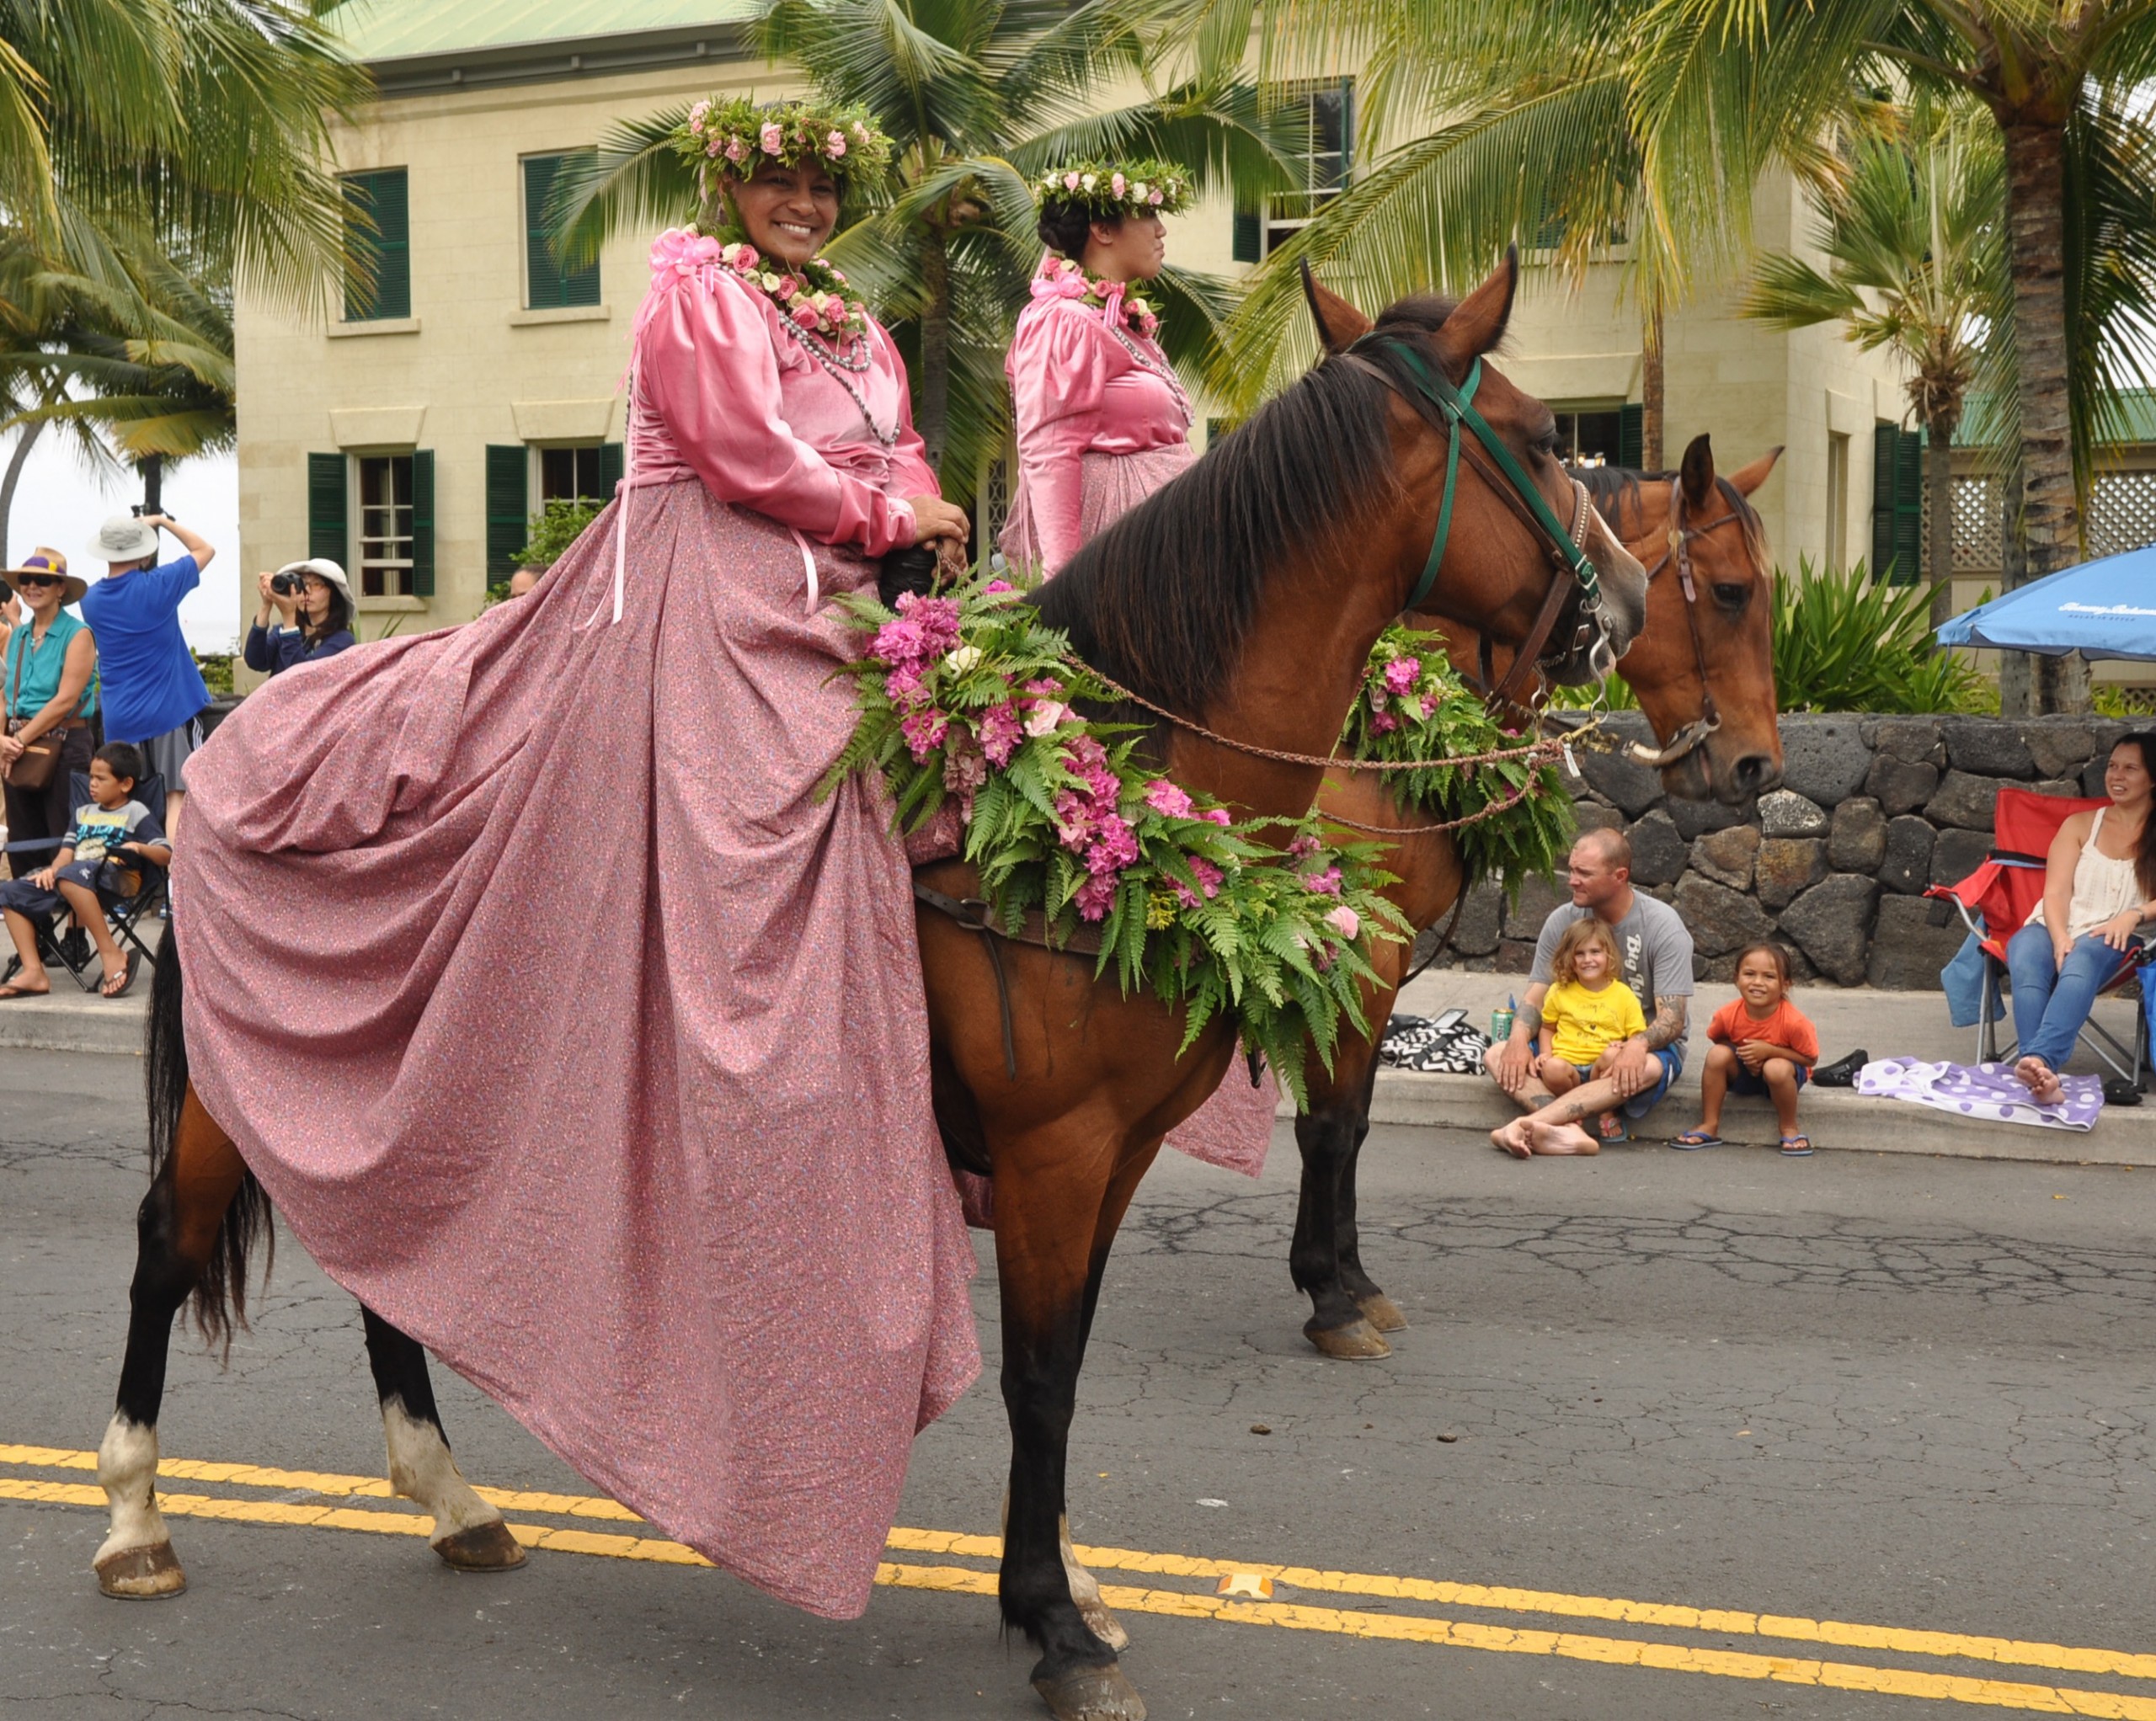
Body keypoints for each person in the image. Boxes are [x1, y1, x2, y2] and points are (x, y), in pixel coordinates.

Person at [168, 99, 979, 1617]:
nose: (803, 200)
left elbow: (898, 438)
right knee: (752, 849)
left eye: (821, 182)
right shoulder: (694, 283)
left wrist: (920, 509)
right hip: (708, 592)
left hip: (847, 596)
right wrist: (886, 506)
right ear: (729, 179)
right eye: (779, 177)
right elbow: (745, 456)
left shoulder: (850, 317)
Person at [1000, 159, 1194, 576]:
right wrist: (1064, 582)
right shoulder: (1064, 320)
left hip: (1153, 537)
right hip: (1112, 545)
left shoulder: (1114, 319)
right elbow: (1048, 450)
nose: (1161, 231)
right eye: (1148, 215)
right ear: (1102, 231)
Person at [1486, 828, 1695, 1156]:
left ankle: (1529, 1124)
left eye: (1584, 873)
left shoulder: (1662, 925)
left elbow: (1673, 1019)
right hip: (1567, 1047)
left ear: (1619, 876)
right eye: (1572, 870)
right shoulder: (1563, 920)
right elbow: (1535, 997)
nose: (1572, 880)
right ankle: (1567, 1129)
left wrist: (1636, 1045)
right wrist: (1516, 1040)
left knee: (1648, 1067)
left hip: (1633, 1047)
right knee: (1497, 1054)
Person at [2007, 733, 2156, 1106]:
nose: (2116, 775)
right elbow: (2054, 893)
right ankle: (2041, 1074)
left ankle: (2040, 1063)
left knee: (2083, 958)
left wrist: (2135, 915)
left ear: (2153, 779)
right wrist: (2058, 936)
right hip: (2055, 923)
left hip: (2118, 932)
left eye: (2130, 768)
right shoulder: (2079, 825)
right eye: (2112, 766)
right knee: (2024, 954)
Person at [79, 514, 214, 843]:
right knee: (175, 795)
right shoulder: (160, 585)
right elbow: (205, 549)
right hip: (168, 710)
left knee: (129, 800)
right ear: (144, 553)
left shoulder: (90, 600)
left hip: (120, 716)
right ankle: (173, 879)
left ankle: (134, 883)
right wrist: (163, 523)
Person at [0, 742, 167, 999]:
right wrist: (52, 871)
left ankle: (110, 952)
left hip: (116, 879)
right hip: (74, 876)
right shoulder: (82, 813)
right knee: (10, 891)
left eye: (101, 778)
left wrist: (139, 847)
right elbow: (67, 853)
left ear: (125, 784)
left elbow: (166, 853)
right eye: (91, 777)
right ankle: (34, 971)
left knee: (72, 874)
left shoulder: (136, 812)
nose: (93, 784)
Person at [0, 549, 99, 880]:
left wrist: (19, 740)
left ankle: (72, 929)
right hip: (19, 749)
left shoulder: (78, 634)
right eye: (26, 580)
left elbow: (65, 699)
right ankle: (34, 929)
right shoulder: (18, 637)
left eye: (42, 580)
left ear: (61, 589)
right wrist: (4, 741)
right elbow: (5, 698)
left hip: (65, 744)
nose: (31, 586)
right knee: (23, 846)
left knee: (65, 844)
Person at [1672, 941, 1820, 1156]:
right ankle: (1709, 1124)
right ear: (1736, 978)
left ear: (1785, 984)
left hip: (1783, 1079)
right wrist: (1745, 1058)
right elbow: (1720, 1040)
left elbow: (1810, 1058)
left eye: (1769, 977)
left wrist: (1769, 1051)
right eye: (1749, 974)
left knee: (1775, 1068)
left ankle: (1789, 1126)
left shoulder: (1795, 1022)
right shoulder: (1727, 1015)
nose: (1757, 983)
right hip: (1745, 1074)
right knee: (1717, 1055)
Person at [1530, 918, 1646, 1106]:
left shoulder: (1624, 995)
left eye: (1595, 952)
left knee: (1613, 1057)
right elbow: (1547, 1027)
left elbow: (1637, 1036)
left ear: (1609, 954)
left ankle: (1603, 1109)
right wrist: (1546, 1054)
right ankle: (1570, 1106)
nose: (1588, 960)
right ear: (1569, 958)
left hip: (1601, 1069)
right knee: (1552, 1068)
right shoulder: (1560, 990)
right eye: (1579, 954)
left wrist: (1624, 1047)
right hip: (1567, 1066)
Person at [243, 558, 355, 675]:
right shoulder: (283, 631)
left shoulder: (342, 640)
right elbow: (255, 660)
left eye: (316, 584)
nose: (307, 590)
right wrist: (266, 605)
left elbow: (301, 678)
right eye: (302, 584)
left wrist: (288, 617)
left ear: (334, 593)